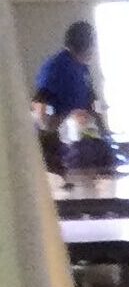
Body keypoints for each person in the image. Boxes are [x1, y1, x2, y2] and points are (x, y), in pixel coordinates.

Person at [33, 20, 101, 173]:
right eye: (92, 42)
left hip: (81, 135)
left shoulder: (83, 68)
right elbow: (40, 101)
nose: (94, 48)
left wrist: (101, 128)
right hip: (60, 138)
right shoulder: (57, 65)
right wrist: (46, 133)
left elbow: (91, 100)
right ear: (85, 43)